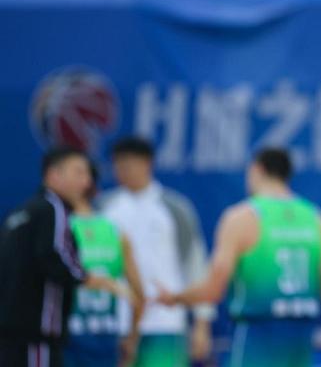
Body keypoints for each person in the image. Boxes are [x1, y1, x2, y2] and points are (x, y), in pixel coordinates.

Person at [156, 148, 321, 367]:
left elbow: (213, 290)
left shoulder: (241, 218)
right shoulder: (317, 220)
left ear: (256, 170)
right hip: (299, 344)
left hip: (256, 340)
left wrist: (175, 298)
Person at [0, 147, 124, 367]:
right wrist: (92, 279)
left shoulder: (21, 212)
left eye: (88, 174)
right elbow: (56, 256)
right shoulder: (55, 208)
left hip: (10, 335)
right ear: (54, 175)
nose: (86, 182)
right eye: (79, 172)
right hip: (37, 335)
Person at [99, 137, 214, 367]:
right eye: (117, 165)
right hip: (115, 324)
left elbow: (196, 266)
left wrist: (202, 324)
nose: (122, 171)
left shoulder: (175, 208)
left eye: (128, 165)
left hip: (165, 323)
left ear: (147, 163)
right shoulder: (103, 208)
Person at [64, 163, 145, 367]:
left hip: (66, 339)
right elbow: (139, 295)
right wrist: (131, 340)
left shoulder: (58, 228)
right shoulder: (114, 231)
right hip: (105, 339)